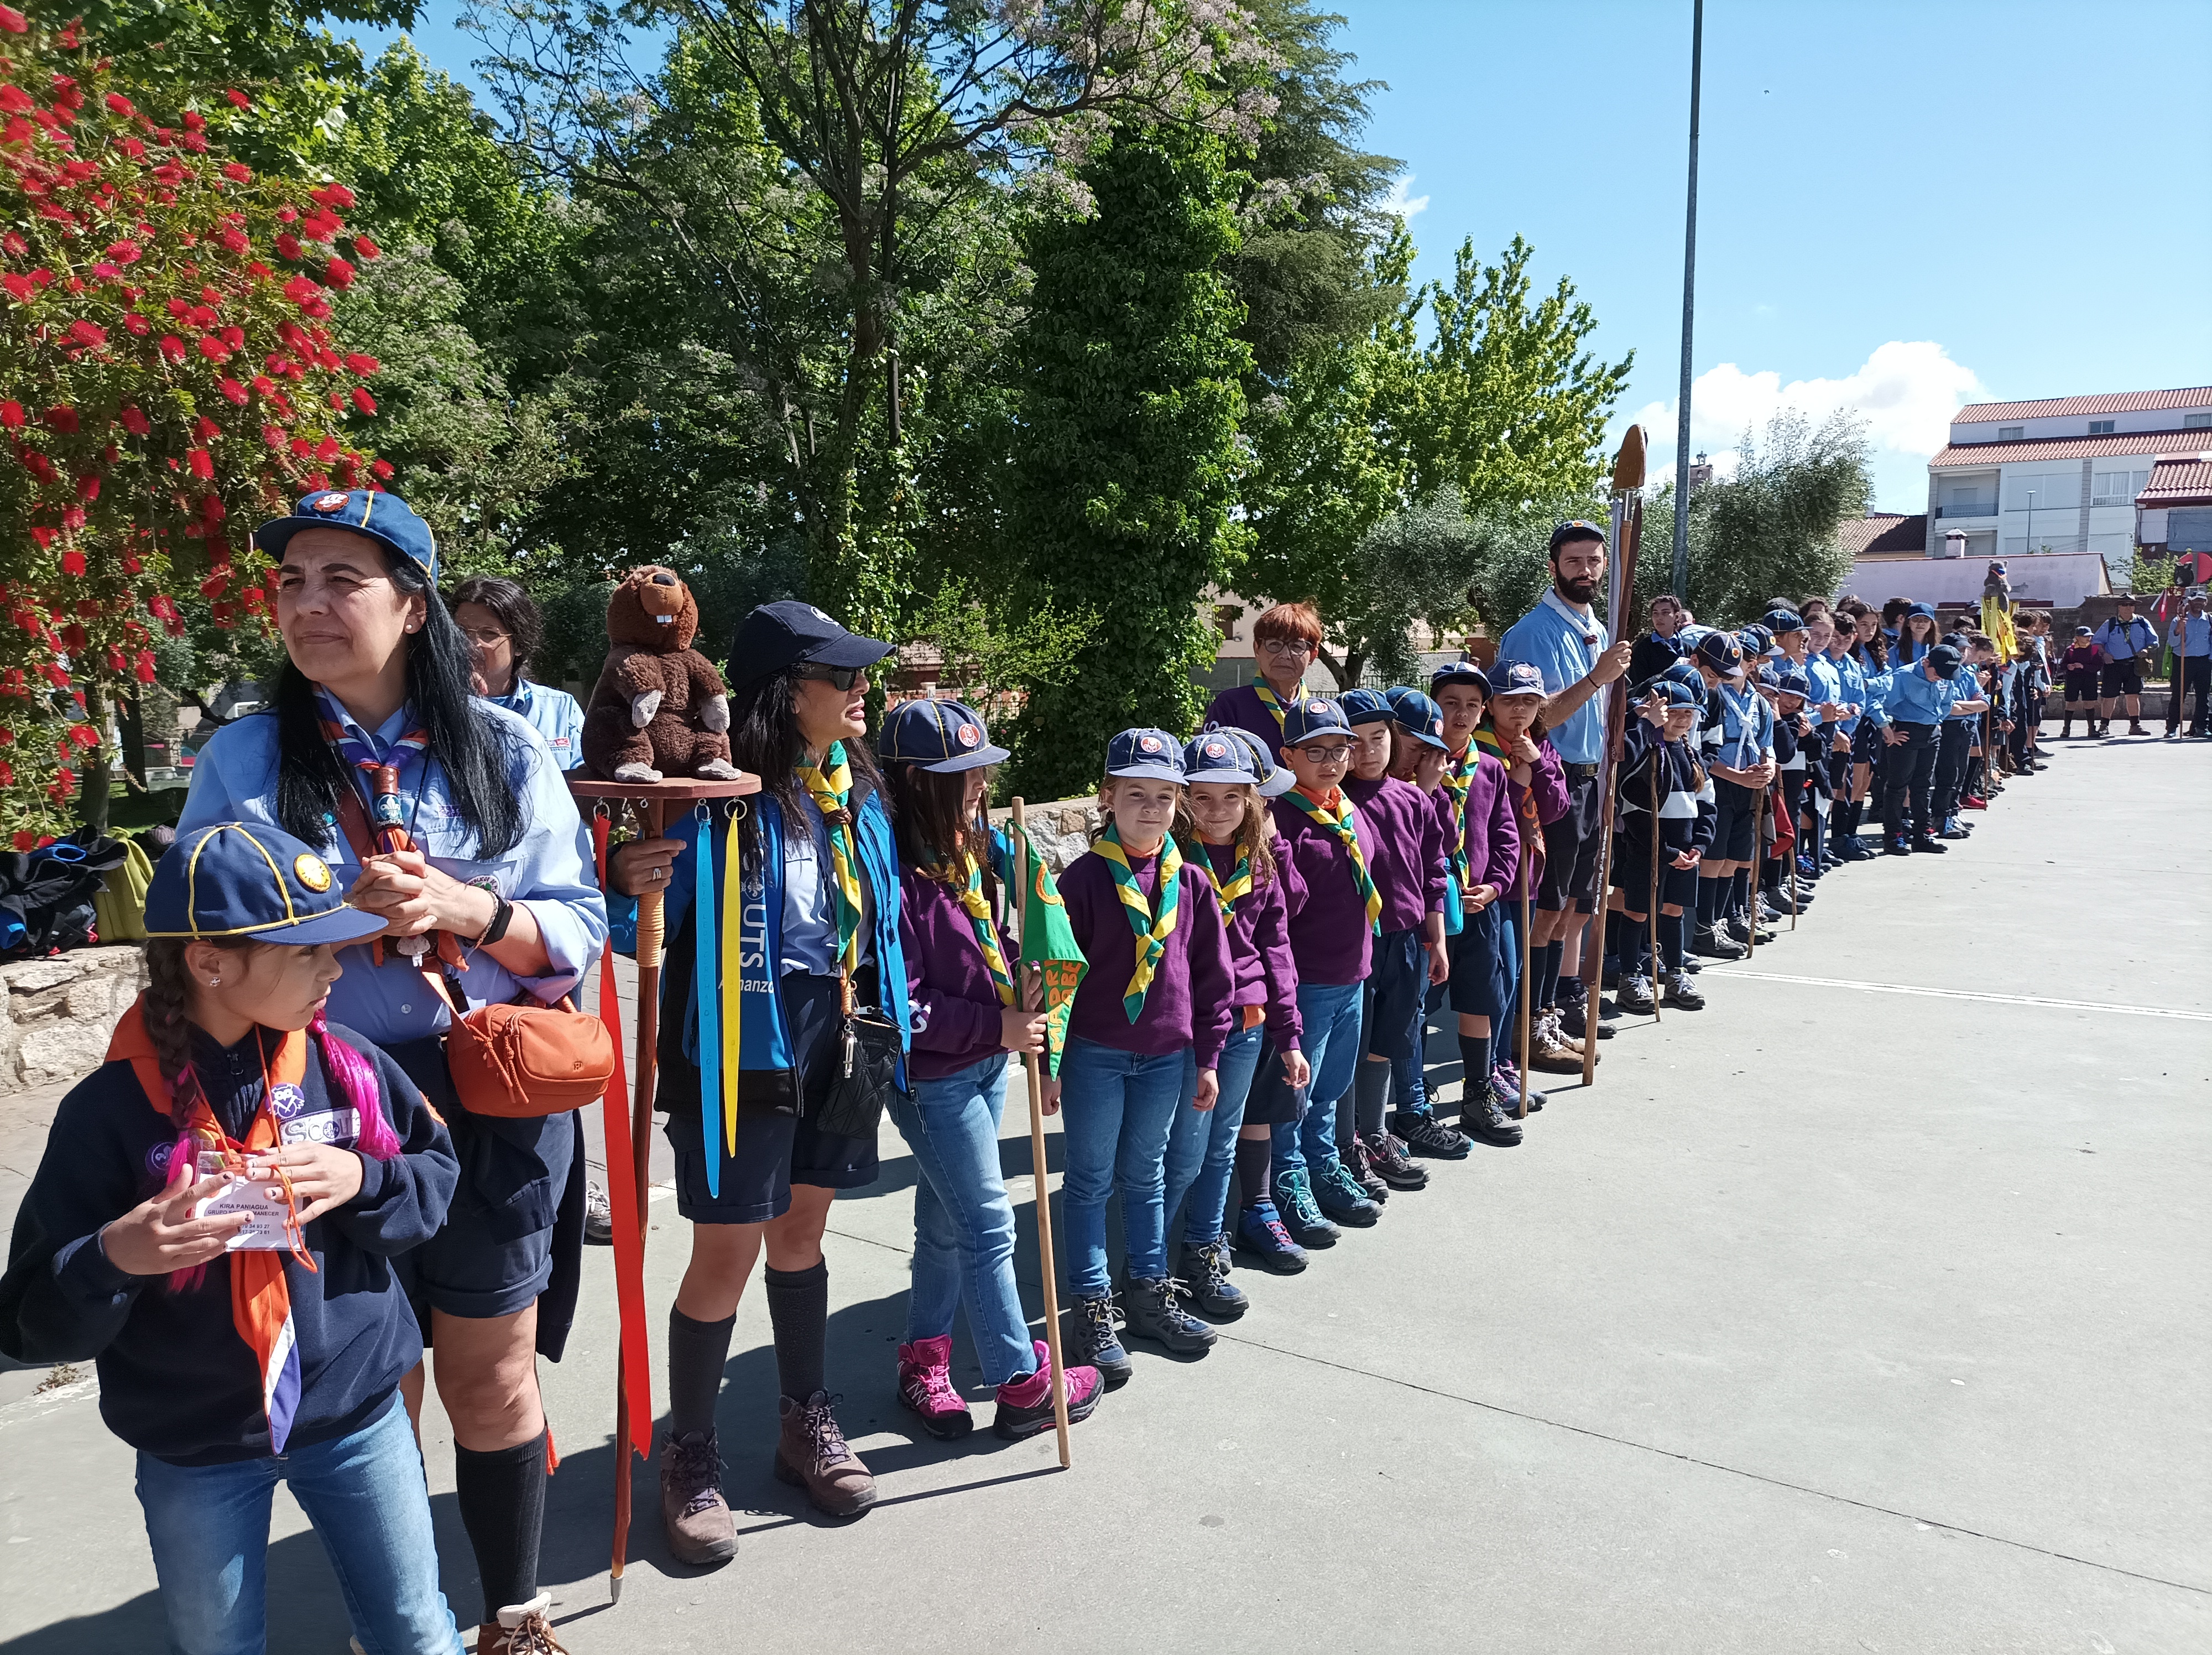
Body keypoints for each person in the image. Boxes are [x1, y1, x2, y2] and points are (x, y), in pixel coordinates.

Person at [178, 487, 607, 1654]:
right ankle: (401, 1624)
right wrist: (316, 919)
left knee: (488, 1369)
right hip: (323, 1104)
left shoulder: (506, 746)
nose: (308, 604)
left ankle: (513, 1611)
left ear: (414, 607)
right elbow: (196, 942)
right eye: (290, 581)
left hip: (487, 1089)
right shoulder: (247, 756)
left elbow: (576, 926)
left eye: (341, 580)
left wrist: (464, 904)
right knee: (373, 1382)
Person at [0, 823, 467, 1655]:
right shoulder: (108, 1112)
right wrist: (115, 1258)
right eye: (306, 953)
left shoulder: (347, 1066)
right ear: (210, 964)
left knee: (416, 1630)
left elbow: (435, 1183)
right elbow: (27, 1315)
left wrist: (364, 1180)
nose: (335, 969)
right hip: (195, 1446)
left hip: (359, 1419)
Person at [650, 600, 911, 1554]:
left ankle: (807, 1424)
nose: (860, 690)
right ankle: (692, 1451)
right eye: (841, 676)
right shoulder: (716, 795)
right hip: (734, 1037)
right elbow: (639, 901)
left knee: (800, 1233)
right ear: (782, 690)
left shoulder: (859, 790)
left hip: (832, 1027)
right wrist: (635, 870)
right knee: (726, 1252)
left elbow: (880, 920)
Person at [877, 698, 1107, 1441]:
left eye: (983, 768)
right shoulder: (893, 874)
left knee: (946, 1226)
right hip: (936, 1076)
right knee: (988, 1225)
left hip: (985, 1065)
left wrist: (1023, 998)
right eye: (961, 772)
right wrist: (995, 1025)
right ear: (915, 781)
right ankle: (1021, 1382)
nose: (979, 783)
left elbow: (993, 946)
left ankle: (924, 1361)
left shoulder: (970, 849)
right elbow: (900, 1006)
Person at [1050, 728, 1234, 1381]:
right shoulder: (1081, 881)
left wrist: (1209, 1058)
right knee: (1090, 1180)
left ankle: (1149, 1294)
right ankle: (1091, 1308)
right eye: (1136, 794)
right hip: (1096, 1054)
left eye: (1163, 795)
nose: (1150, 808)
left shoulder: (1191, 881)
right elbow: (1054, 974)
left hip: (1167, 1056)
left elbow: (1214, 979)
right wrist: (1050, 1066)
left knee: (1147, 1175)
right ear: (1108, 798)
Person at [1166, 728, 1312, 1288]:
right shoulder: (1172, 856)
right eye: (1202, 797)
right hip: (1186, 1026)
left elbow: (1275, 946)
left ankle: (1205, 1242)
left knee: (1221, 1144)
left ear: (1253, 800)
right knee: (1182, 1150)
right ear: (1183, 798)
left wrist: (1290, 1035)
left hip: (1245, 1025)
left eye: (1233, 797)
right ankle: (1153, 1259)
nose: (1219, 809)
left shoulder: (1260, 857)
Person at [1243, 696, 1390, 1238]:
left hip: (1352, 974)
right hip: (1306, 980)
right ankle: (1290, 1180)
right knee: (1294, 1092)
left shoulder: (1344, 810)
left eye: (1339, 749)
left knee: (1329, 1087)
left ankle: (1323, 1165)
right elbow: (1279, 913)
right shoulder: (1283, 822)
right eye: (1315, 751)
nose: (1330, 761)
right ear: (1288, 755)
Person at [1492, 521, 1634, 1069]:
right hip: (1554, 782)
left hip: (1592, 777)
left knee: (1571, 908)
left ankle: (1546, 1016)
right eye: (1574, 561)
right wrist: (1599, 678)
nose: (1586, 571)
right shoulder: (1533, 631)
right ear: (1553, 566)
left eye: (1594, 561)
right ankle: (1526, 1027)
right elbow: (1538, 715)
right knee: (1546, 911)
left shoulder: (1592, 624)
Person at [1337, 689, 1448, 1200]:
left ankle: (1376, 1132)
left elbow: (1433, 873)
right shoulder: (1335, 805)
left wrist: (1437, 940)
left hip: (1405, 940)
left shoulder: (1415, 801)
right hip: (1354, 944)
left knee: (1388, 1040)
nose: (1367, 751)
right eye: (1354, 741)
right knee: (1349, 1048)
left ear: (1394, 740)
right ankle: (1346, 1140)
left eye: (1378, 738)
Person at [1430, 663, 1526, 1146]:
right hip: (1429, 911)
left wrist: (1495, 885)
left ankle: (1477, 1094)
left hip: (1479, 904)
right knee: (1416, 1004)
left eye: (1472, 705)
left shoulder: (1489, 767)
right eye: (1451, 703)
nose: (1462, 713)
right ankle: (1411, 1096)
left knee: (1481, 1001)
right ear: (1434, 707)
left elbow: (1508, 836)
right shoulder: (1414, 766)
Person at [1474, 661, 1562, 1107]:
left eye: (1530, 701)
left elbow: (1557, 806)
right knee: (1499, 976)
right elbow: (1490, 814)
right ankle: (1488, 1067)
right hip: (1493, 877)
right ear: (1491, 704)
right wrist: (1516, 779)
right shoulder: (1479, 747)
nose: (1520, 711)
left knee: (1516, 974)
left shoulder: (1540, 745)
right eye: (1510, 701)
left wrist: (1537, 768)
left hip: (1527, 875)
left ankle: (1504, 1064)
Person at [1610, 683, 1709, 1013]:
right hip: (1649, 852)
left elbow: (1706, 805)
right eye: (1675, 713)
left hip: (1685, 852)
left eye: (1688, 714)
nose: (1682, 720)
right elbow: (1634, 812)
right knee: (1637, 911)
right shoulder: (1647, 755)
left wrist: (1699, 846)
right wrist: (1665, 852)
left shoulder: (1691, 754)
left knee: (1674, 911)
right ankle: (1631, 976)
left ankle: (1675, 973)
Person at [1692, 631, 1775, 956]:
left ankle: (1725, 918)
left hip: (1750, 784)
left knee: (1734, 859)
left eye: (1744, 659)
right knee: (1713, 858)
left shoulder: (1759, 703)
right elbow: (1704, 752)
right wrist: (1736, 777)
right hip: (1723, 781)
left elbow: (1765, 743)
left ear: (1754, 664)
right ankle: (1703, 927)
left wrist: (1767, 768)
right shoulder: (1714, 697)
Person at [453, 575, 585, 769]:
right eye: (460, 632)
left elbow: (590, 785)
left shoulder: (561, 709)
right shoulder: (434, 707)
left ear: (520, 644)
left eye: (489, 633)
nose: (471, 645)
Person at [1877, 642, 1966, 856]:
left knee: (1923, 787)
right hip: (1906, 733)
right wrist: (1888, 729)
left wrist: (1937, 721)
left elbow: (1947, 703)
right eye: (1937, 672)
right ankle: (1893, 836)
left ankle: (1922, 836)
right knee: (1898, 787)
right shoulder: (1904, 676)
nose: (1940, 678)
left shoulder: (1944, 677)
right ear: (1926, 662)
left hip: (1932, 732)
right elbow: (1882, 702)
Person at [1203, 600, 1322, 757]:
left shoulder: (1320, 713)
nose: (1285, 655)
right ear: (1257, 649)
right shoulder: (1231, 706)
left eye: (1296, 647)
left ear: (1313, 656)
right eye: (1274, 644)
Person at [2093, 595, 2157, 736]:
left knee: (2133, 696)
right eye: (2125, 604)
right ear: (2119, 607)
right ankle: (2104, 726)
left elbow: (2154, 641)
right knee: (2109, 696)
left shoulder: (2142, 622)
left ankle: (2135, 726)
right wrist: (2104, 654)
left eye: (2131, 604)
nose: (2128, 607)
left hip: (2135, 665)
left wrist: (2147, 649)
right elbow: (2097, 642)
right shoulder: (2110, 623)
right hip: (2113, 665)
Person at [2167, 591, 2210, 738]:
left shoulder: (2209, 620)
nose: (2199, 603)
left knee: (2203, 697)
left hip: (2204, 661)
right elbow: (2172, 643)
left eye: (2202, 601)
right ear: (2190, 602)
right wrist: (2179, 629)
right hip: (2183, 660)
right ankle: (2172, 728)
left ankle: (2201, 727)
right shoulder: (2179, 620)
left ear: (2205, 603)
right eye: (2196, 600)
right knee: (2179, 695)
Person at [1629, 592, 1689, 685]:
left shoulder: (1687, 648)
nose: (1659, 618)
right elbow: (1638, 686)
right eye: (1655, 613)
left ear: (1676, 616)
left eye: (1665, 613)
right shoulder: (1643, 648)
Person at [2058, 625, 2104, 738]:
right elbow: (2062, 665)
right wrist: (2069, 666)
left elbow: (2098, 666)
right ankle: (2066, 729)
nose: (2088, 638)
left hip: (2089, 679)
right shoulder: (2070, 650)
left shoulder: (2094, 650)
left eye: (2090, 636)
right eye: (2085, 636)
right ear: (2077, 637)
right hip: (2073, 679)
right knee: (2070, 703)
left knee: (2089, 703)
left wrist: (2083, 666)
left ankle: (2092, 729)